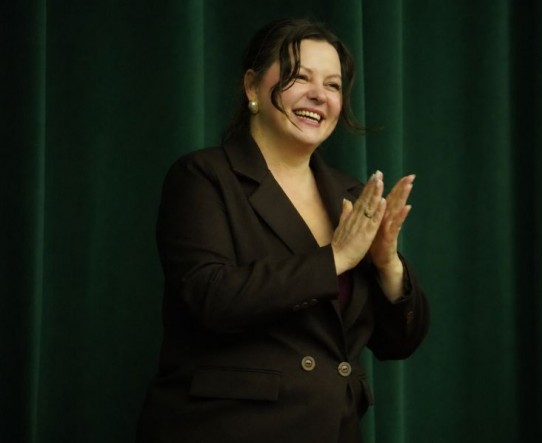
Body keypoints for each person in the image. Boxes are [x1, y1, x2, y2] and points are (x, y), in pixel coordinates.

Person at [136, 17, 429, 443]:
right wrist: (335, 259)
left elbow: (398, 342)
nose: (319, 95)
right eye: (300, 76)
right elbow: (210, 298)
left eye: (332, 85)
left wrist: (387, 265)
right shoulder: (204, 176)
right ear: (252, 86)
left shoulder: (352, 195)